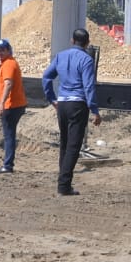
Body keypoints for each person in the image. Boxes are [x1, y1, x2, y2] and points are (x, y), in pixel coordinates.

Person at [42, 28, 100, 197]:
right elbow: (88, 86)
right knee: (74, 146)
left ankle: (64, 182)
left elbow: (46, 77)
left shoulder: (60, 56)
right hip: (78, 104)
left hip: (62, 104)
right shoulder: (86, 60)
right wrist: (94, 109)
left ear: (72, 40)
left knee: (65, 143)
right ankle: (64, 185)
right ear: (87, 43)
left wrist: (51, 98)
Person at [0, 38, 27, 174]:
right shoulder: (7, 63)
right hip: (15, 104)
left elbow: (8, 84)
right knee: (9, 135)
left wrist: (1, 103)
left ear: (8, 51)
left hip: (11, 105)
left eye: (2, 50)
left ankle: (7, 165)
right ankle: (8, 164)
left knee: (9, 136)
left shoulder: (8, 64)